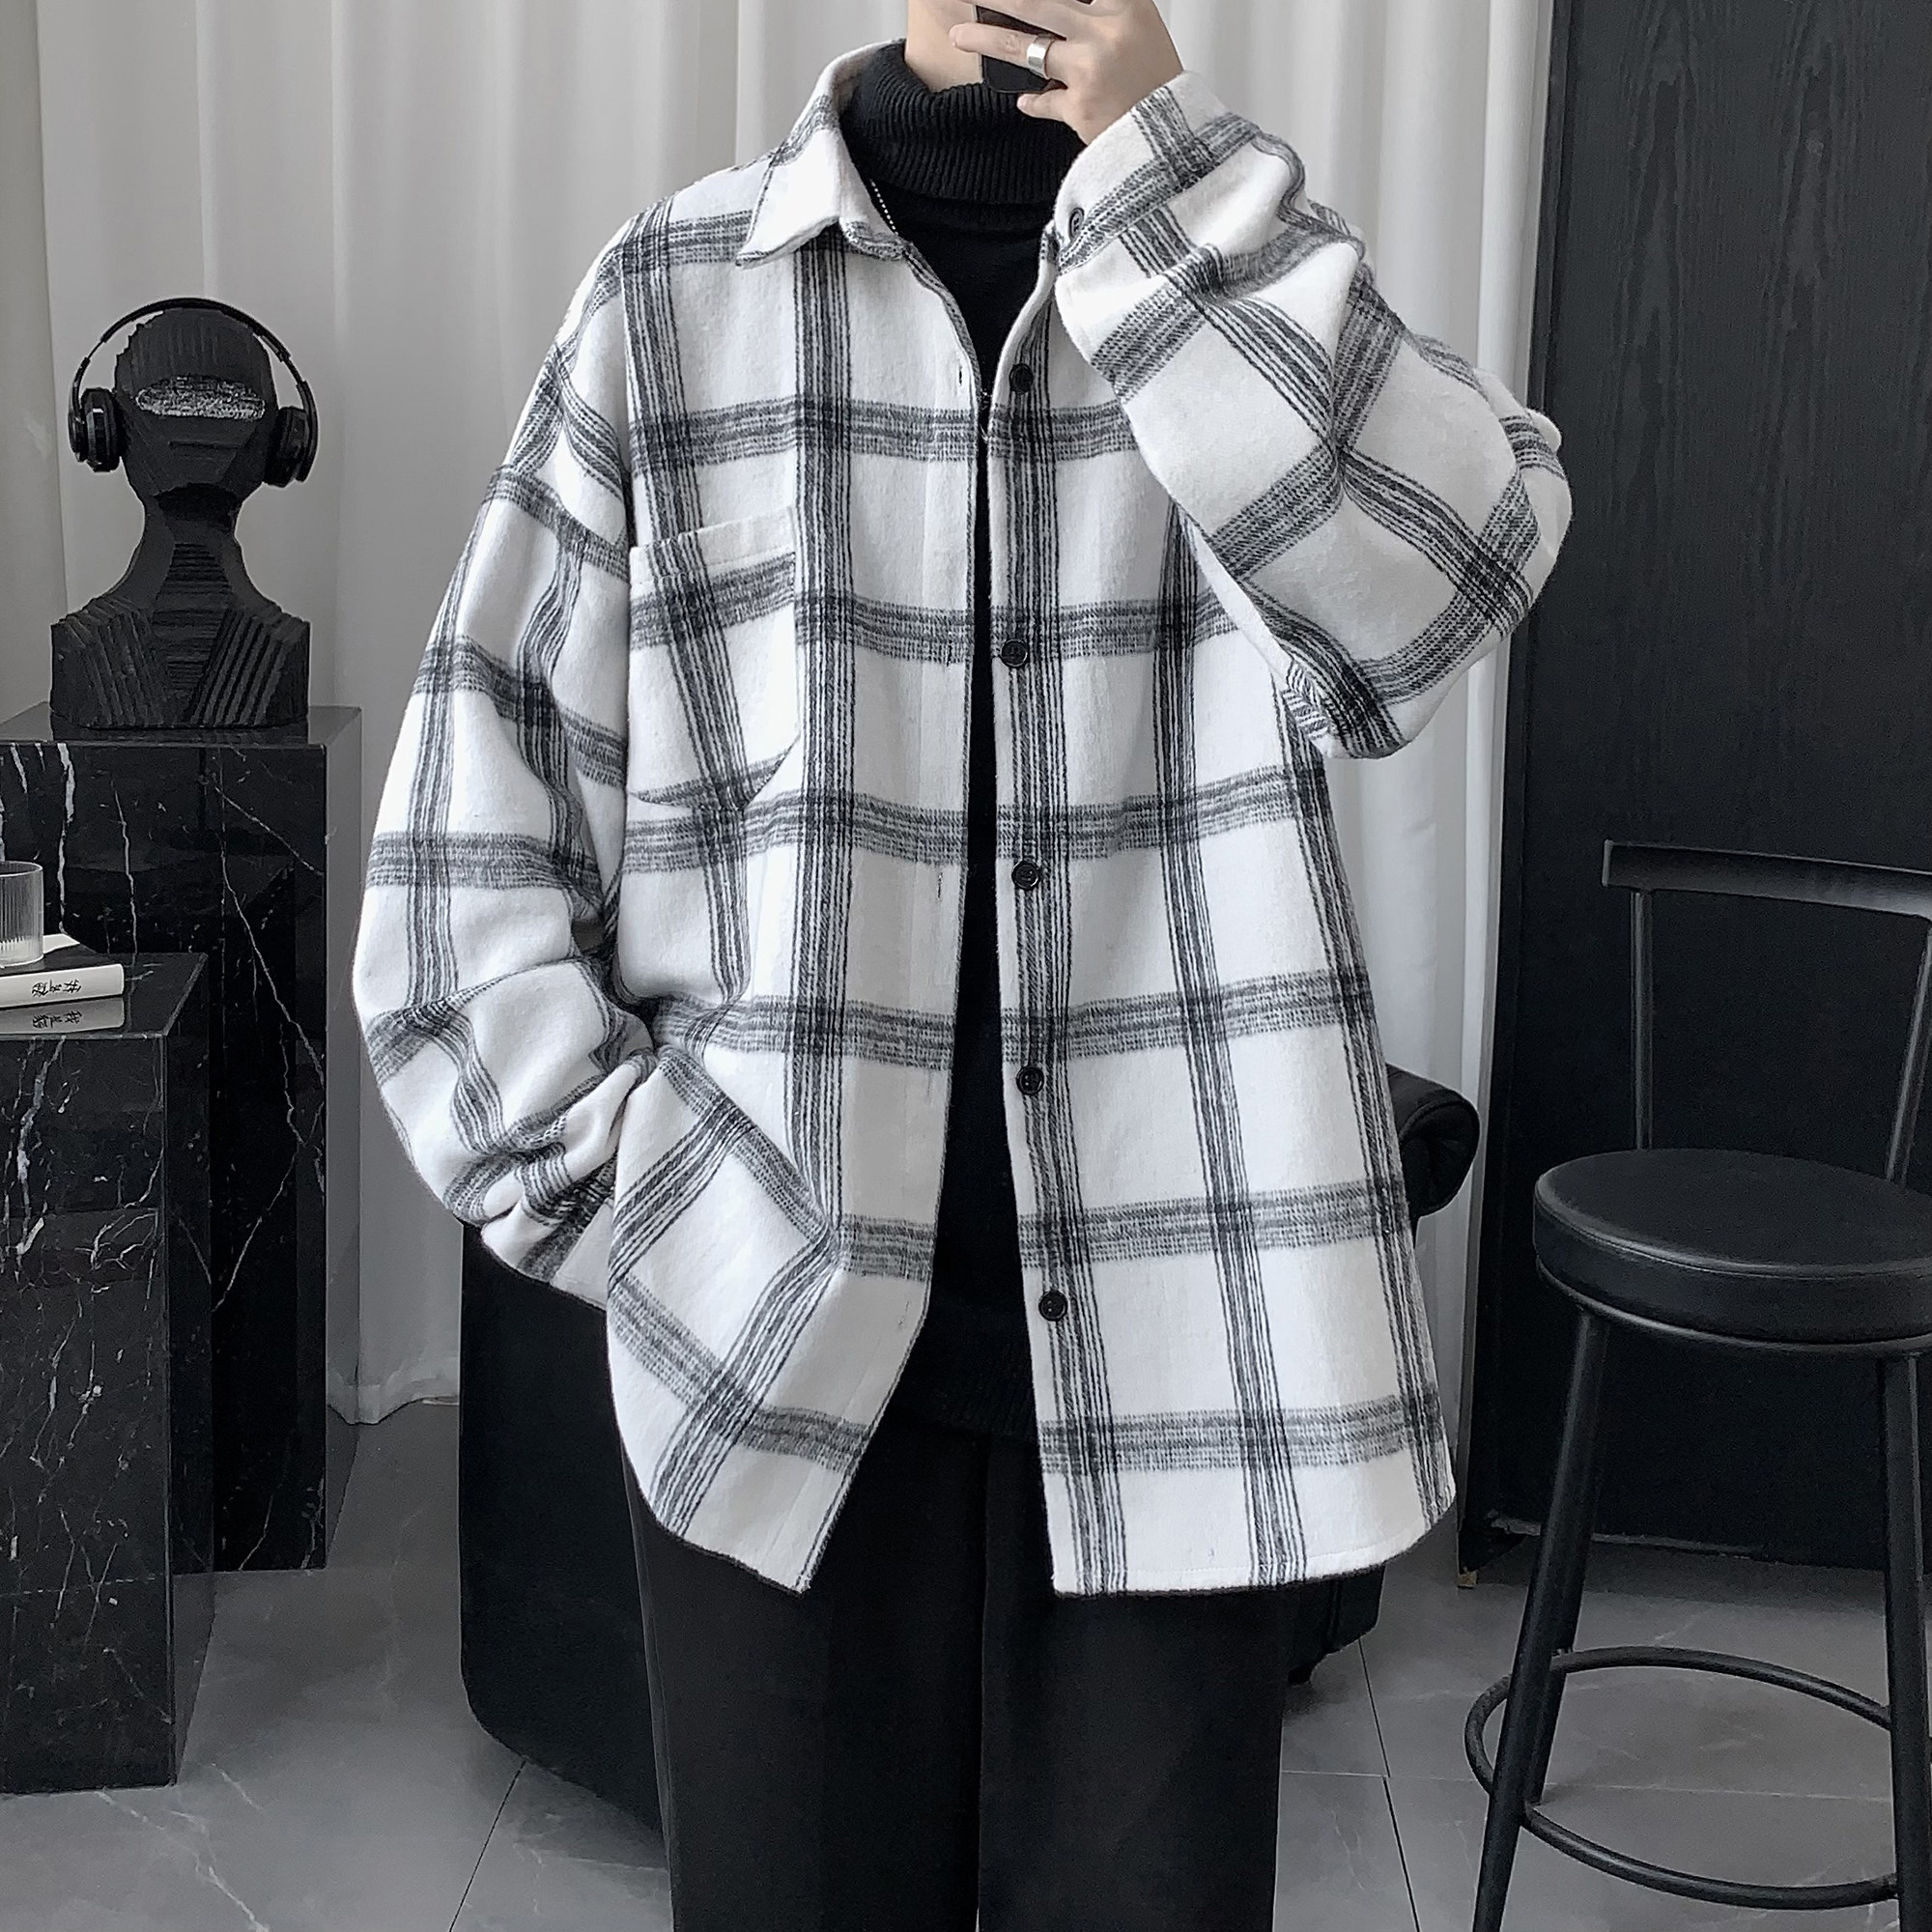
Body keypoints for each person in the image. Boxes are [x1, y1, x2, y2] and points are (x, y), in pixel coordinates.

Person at [353, 2, 1574, 1925]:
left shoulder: (1241, 276)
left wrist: (1173, 187)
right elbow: (465, 850)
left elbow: (1446, 585)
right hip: (773, 1346)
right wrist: (647, 1211)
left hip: (1188, 1365)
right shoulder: (677, 298)